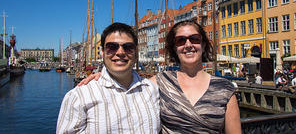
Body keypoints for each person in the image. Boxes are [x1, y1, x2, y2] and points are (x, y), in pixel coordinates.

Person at [79, 20, 241, 133]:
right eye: (181, 40)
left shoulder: (224, 89)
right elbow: (128, 84)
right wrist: (102, 75)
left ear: (203, 44)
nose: (188, 45)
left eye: (194, 39)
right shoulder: (160, 82)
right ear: (174, 47)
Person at [57, 23, 160, 133]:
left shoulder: (152, 90)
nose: (120, 52)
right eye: (112, 47)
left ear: (136, 52)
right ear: (103, 52)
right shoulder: (79, 96)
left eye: (128, 47)